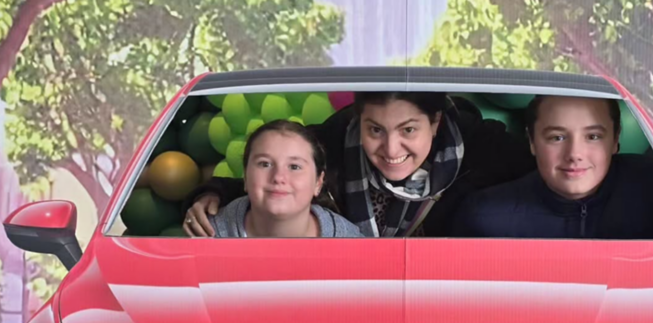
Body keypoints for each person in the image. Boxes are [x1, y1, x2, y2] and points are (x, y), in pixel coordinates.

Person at [181, 92, 534, 237]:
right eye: (375, 130)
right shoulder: (330, 141)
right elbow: (277, 174)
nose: (391, 149)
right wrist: (214, 193)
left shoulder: (482, 150)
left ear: (435, 122)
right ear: (358, 120)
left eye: (408, 130)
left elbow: (546, 183)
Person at [451, 95, 653, 239]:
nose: (574, 154)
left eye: (593, 137)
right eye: (557, 137)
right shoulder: (484, 218)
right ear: (532, 142)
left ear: (615, 139)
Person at [197, 120, 363, 238]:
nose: (278, 177)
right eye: (265, 164)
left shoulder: (352, 243)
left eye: (294, 167)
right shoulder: (205, 236)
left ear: (318, 182)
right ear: (245, 176)